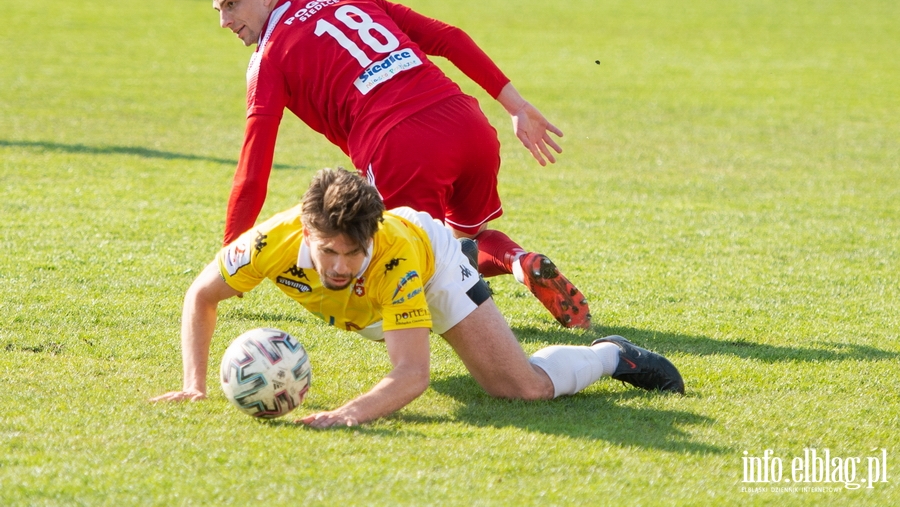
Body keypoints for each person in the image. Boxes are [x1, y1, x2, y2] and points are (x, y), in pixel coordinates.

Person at [199, 0, 591, 329]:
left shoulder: (267, 58)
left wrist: (233, 259)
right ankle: (520, 262)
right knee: (462, 238)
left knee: (389, 281)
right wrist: (516, 106)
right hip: (467, 124)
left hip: (400, 148)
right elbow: (449, 37)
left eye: (231, 4)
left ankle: (487, 329)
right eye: (219, 10)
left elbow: (253, 169)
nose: (224, 21)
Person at [151, 168, 684, 428]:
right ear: (307, 233)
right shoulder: (273, 242)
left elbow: (412, 374)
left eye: (351, 252)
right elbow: (201, 296)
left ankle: (613, 354)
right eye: (327, 251)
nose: (337, 265)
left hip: (429, 270)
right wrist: (193, 386)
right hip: (368, 303)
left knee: (518, 388)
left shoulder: (395, 257)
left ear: (371, 238)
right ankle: (480, 254)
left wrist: (348, 414)